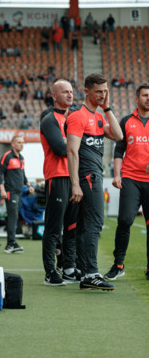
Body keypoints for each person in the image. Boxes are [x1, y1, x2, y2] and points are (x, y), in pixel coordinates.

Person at [66, 73, 123, 291]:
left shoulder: (98, 117)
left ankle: (84, 270)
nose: (103, 95)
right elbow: (71, 151)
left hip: (93, 174)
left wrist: (107, 109)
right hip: (87, 175)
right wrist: (75, 183)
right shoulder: (78, 116)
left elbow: (118, 136)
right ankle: (91, 272)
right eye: (99, 91)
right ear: (87, 91)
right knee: (95, 222)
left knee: (85, 225)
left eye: (105, 91)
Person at [105, 84, 149, 281]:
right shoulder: (126, 121)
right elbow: (118, 150)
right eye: (145, 95)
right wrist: (116, 175)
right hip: (130, 178)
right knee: (125, 220)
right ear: (137, 98)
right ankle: (119, 264)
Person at [40, 80, 79, 286]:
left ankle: (69, 267)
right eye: (65, 92)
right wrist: (76, 145)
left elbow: (73, 147)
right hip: (56, 177)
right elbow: (60, 148)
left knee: (71, 226)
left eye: (71, 92)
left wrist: (72, 145)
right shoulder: (49, 120)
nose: (70, 95)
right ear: (54, 95)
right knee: (54, 228)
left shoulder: (74, 118)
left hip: (74, 177)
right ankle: (50, 272)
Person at [0, 136, 34, 253]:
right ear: (13, 144)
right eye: (19, 142)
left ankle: (12, 242)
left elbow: (22, 174)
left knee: (14, 217)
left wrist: (28, 185)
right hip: (10, 192)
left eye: (22, 143)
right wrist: (2, 190)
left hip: (19, 192)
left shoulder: (22, 158)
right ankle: (10, 244)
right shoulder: (7, 156)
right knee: (12, 217)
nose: (21, 144)